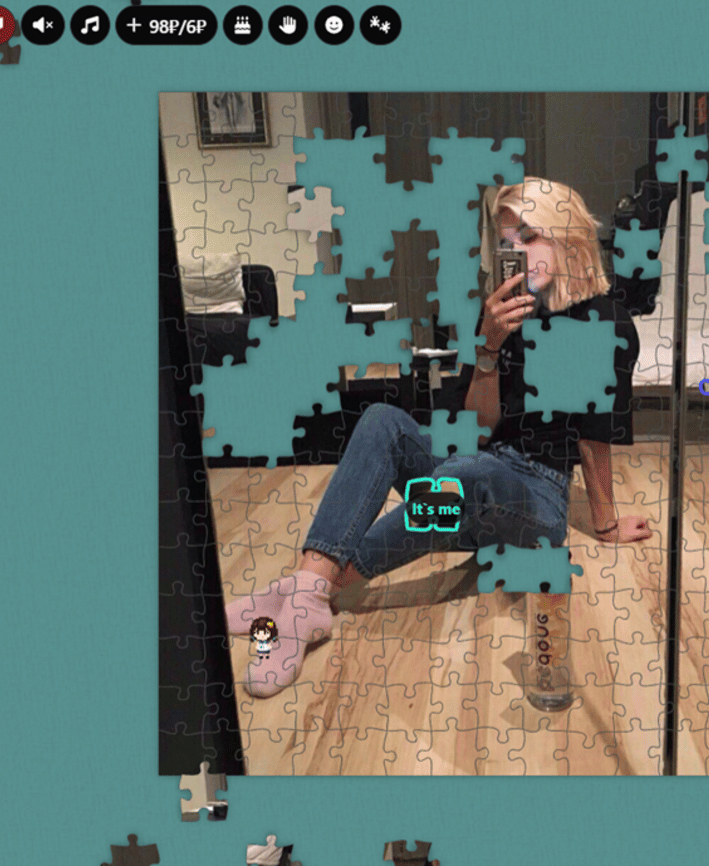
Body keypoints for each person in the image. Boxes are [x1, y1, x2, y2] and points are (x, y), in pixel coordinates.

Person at [224, 179, 654, 699]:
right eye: (506, 241)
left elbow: (594, 438)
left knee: (468, 473)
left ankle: (309, 595)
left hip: (535, 499)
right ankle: (310, 587)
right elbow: (478, 428)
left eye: (528, 236)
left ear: (570, 238)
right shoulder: (502, 313)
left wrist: (605, 523)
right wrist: (489, 347)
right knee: (383, 420)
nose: (514, 252)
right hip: (475, 476)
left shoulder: (608, 323)